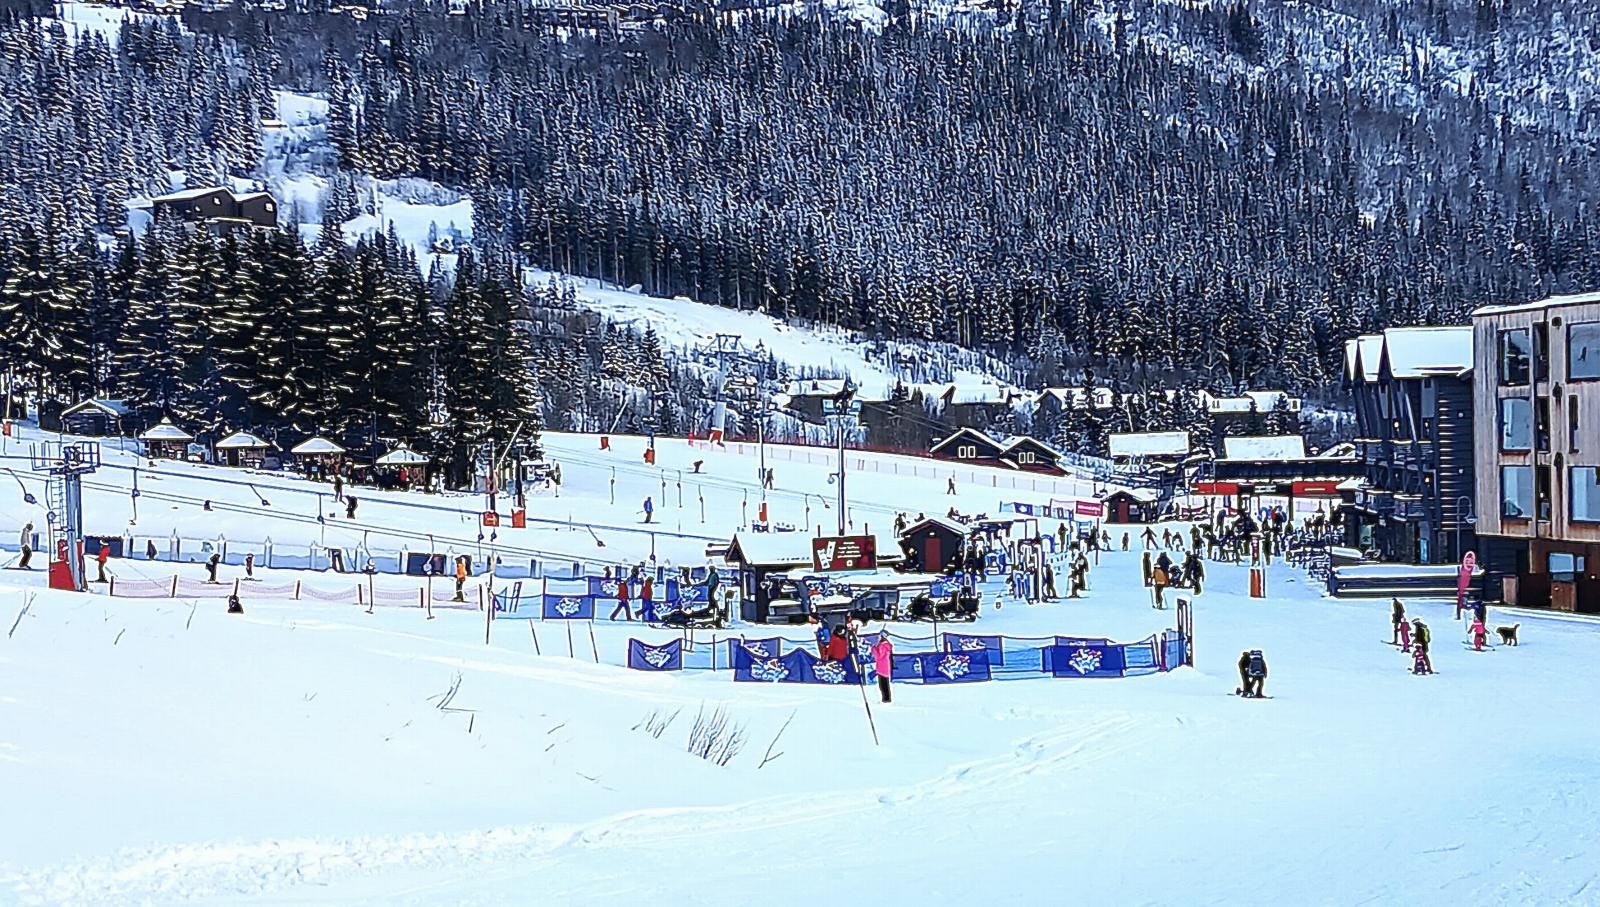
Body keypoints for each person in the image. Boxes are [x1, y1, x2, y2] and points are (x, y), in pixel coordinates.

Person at [872, 634, 894, 703]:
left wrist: (873, 649)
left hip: (882, 667)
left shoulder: (882, 646)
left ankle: (886, 699)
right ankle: (886, 698)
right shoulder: (885, 646)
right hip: (884, 667)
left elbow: (879, 657)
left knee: (883, 685)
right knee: (884, 684)